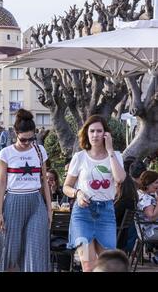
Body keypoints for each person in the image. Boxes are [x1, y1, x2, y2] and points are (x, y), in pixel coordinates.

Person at [0, 108, 52, 272]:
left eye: (31, 138)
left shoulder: (40, 151)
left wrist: (49, 209)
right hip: (13, 201)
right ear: (15, 133)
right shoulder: (6, 153)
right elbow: (1, 185)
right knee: (11, 252)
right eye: (23, 139)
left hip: (36, 202)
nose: (27, 143)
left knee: (36, 250)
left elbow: (44, 182)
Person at [63, 115, 126, 272]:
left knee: (109, 265)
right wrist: (77, 193)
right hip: (82, 214)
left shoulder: (116, 156)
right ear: (86, 133)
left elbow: (120, 178)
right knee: (88, 265)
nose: (95, 135)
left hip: (106, 213)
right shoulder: (79, 157)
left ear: (106, 134)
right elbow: (66, 187)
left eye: (99, 131)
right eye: (91, 131)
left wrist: (110, 149)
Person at [114, 156, 139, 252]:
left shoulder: (122, 202)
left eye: (116, 183)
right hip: (122, 237)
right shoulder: (131, 200)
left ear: (121, 185)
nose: (115, 185)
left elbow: (111, 217)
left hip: (115, 237)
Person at [136, 170, 158, 264]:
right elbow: (152, 217)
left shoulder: (139, 194)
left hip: (146, 230)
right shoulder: (146, 198)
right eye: (156, 182)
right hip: (150, 232)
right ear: (148, 183)